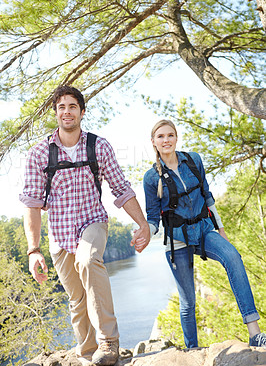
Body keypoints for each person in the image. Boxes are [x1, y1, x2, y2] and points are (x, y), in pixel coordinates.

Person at [19, 85, 150, 366]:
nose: (67, 112)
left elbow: (121, 188)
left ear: (82, 111)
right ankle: (89, 352)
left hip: (93, 222)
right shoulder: (40, 152)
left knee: (89, 261)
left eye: (72, 106)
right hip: (59, 234)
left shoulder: (98, 146)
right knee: (77, 298)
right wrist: (33, 250)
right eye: (61, 107)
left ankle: (109, 341)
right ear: (55, 112)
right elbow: (31, 204)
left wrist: (143, 224)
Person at [142, 119, 266, 349]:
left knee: (233, 257)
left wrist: (220, 227)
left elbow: (207, 195)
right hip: (177, 239)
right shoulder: (151, 178)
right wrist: (145, 233)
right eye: (161, 136)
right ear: (153, 142)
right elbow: (152, 217)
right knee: (188, 302)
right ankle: (192, 351)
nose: (166, 140)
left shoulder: (194, 160)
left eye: (170, 135)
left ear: (176, 137)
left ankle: (255, 334)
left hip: (204, 229)